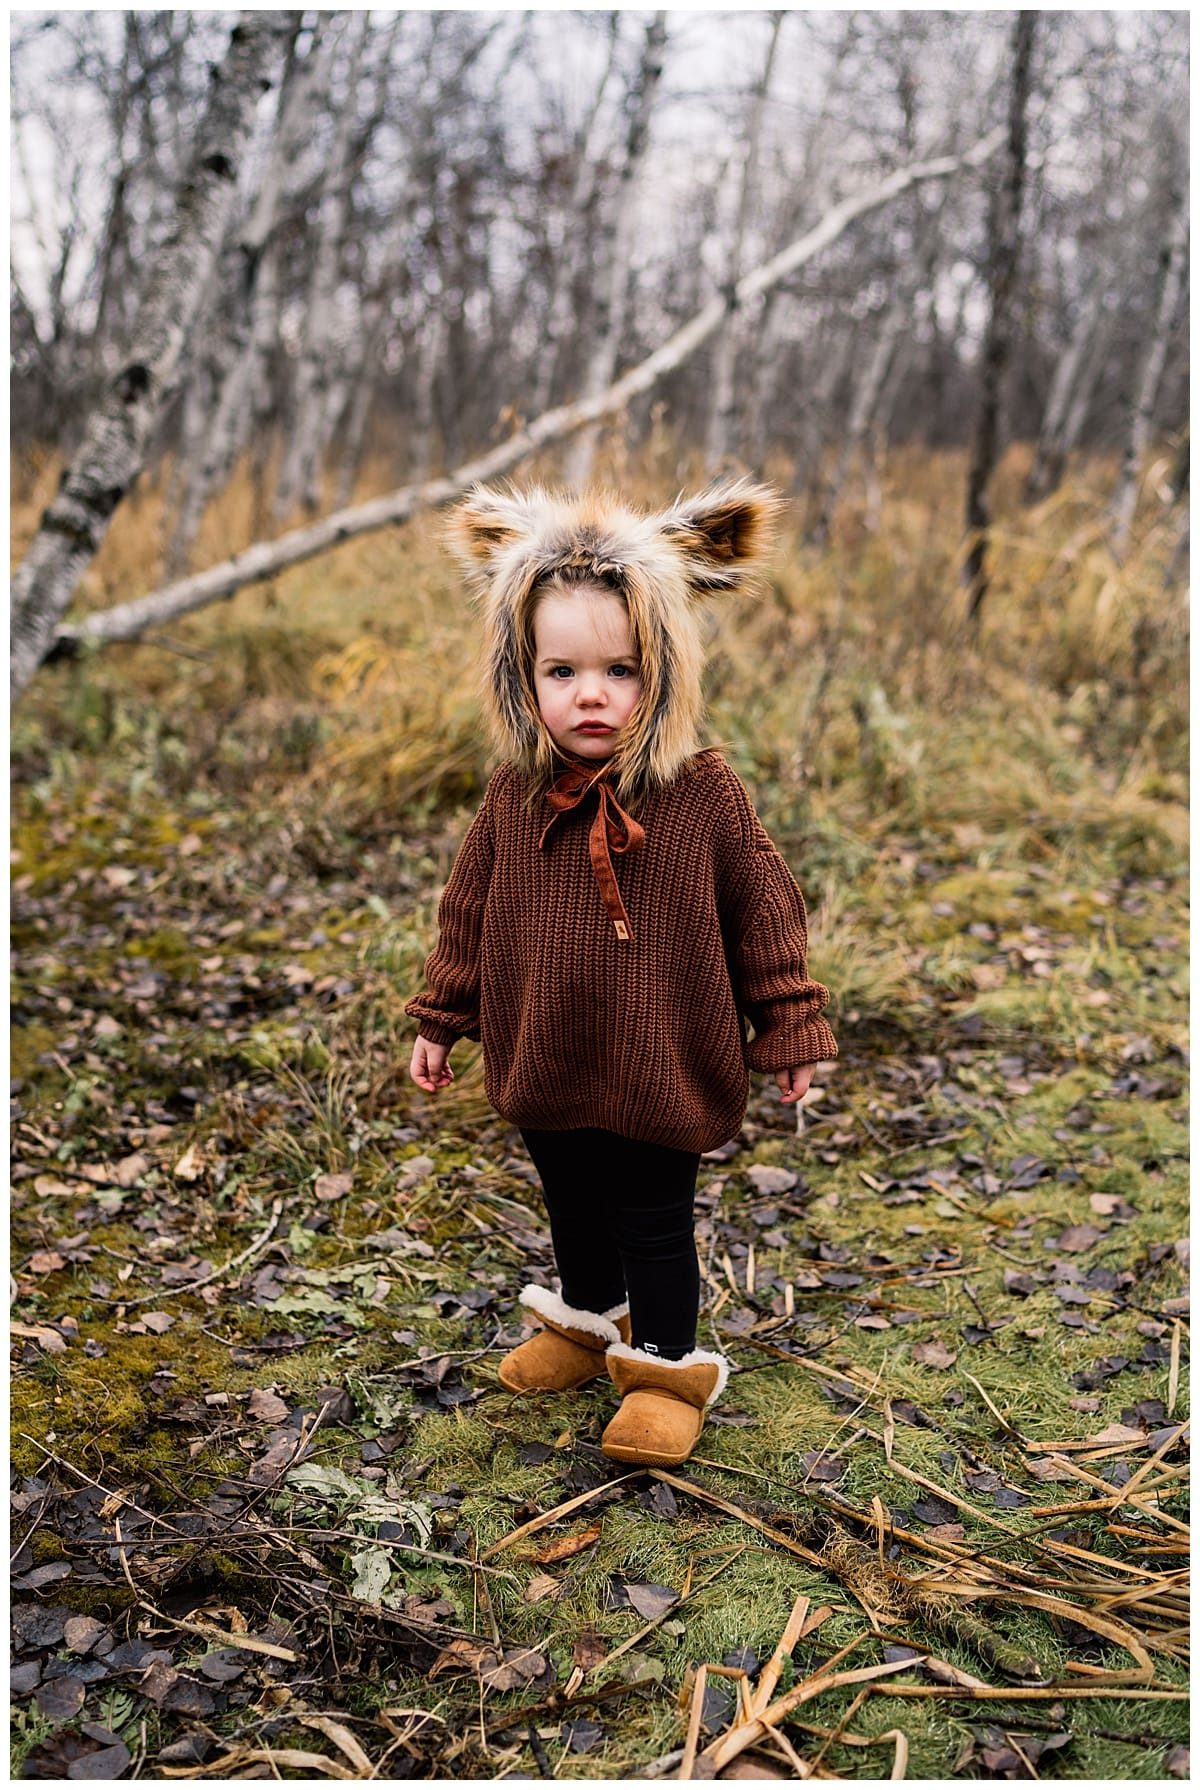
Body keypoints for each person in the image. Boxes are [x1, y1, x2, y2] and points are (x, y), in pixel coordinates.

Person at [404, 478, 837, 1467]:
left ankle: (665, 1366)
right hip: (547, 1053)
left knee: (651, 1217)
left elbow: (766, 913)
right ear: (521, 676)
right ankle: (588, 1317)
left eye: (621, 670)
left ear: (666, 673)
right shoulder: (514, 794)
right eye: (561, 670)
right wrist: (441, 1016)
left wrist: (790, 1023)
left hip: (661, 1061)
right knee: (571, 1202)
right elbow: (467, 916)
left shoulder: (702, 795)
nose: (589, 694)